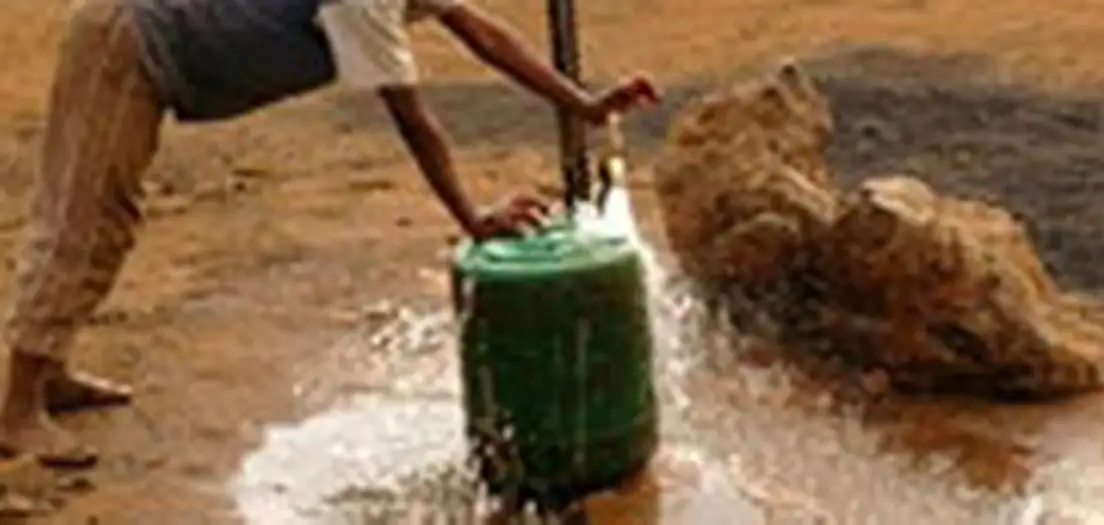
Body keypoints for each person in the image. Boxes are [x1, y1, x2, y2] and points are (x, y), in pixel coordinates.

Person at [0, 0, 661, 467]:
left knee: (102, 222)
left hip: (147, 46)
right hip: (130, 46)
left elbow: (481, 32)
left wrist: (582, 103)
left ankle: (49, 371)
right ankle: (17, 410)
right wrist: (473, 218)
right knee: (89, 224)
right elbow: (414, 120)